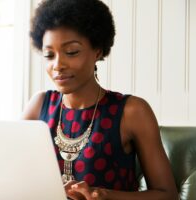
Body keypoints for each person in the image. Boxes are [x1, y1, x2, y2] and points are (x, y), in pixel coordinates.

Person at [22, 0, 178, 199]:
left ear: (97, 50)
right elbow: (12, 172)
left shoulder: (132, 111)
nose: (57, 65)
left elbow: (168, 195)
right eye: (49, 55)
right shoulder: (39, 105)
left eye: (71, 52)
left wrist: (104, 195)